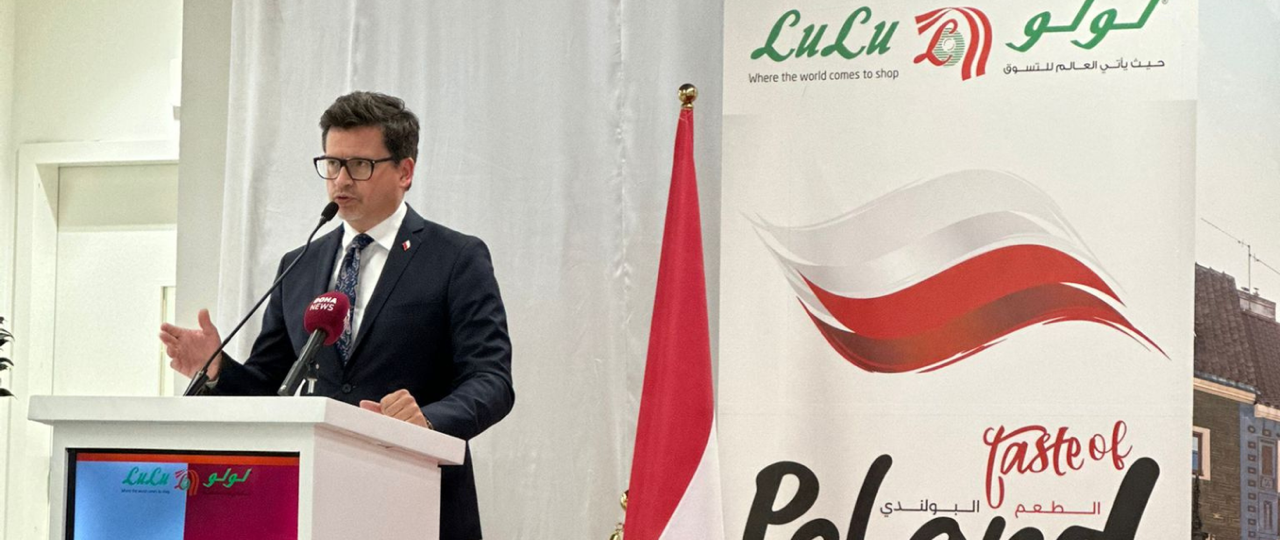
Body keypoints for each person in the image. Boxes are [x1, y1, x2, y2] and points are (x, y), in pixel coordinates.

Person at [161, 91, 514, 540]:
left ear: (405, 171)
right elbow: (271, 386)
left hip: (419, 498)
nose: (341, 180)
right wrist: (218, 370)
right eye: (332, 164)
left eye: (359, 165)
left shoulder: (455, 258)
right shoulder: (299, 265)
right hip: (315, 503)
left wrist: (427, 421)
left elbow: (491, 380)